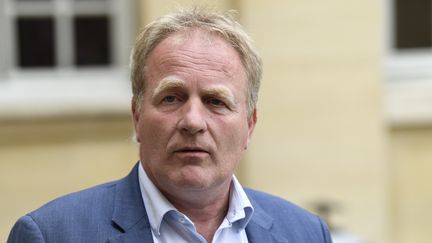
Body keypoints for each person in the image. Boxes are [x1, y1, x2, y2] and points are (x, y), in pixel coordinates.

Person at [8, 7, 332, 243]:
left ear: (250, 124)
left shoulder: (305, 233)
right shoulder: (53, 234)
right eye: (171, 98)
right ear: (136, 116)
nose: (193, 121)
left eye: (216, 101)